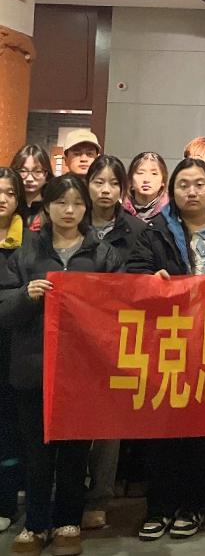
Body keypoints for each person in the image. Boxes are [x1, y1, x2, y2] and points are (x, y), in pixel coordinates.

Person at [0, 174, 124, 556]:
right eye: (60, 203)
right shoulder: (26, 252)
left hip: (83, 372)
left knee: (74, 452)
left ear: (86, 208)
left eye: (77, 203)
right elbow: (3, 310)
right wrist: (26, 295)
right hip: (33, 370)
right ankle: (35, 524)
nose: (69, 211)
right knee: (36, 453)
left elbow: (122, 306)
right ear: (47, 207)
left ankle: (68, 520)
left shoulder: (102, 254)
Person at [127, 158, 205, 542]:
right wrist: (150, 280)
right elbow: (133, 276)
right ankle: (160, 505)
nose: (191, 192)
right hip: (169, 341)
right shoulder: (154, 232)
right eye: (183, 185)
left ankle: (196, 502)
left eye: (199, 184)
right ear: (172, 190)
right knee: (164, 424)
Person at [82, 156, 148, 530]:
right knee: (72, 418)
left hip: (117, 336)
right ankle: (67, 492)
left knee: (107, 424)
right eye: (98, 182)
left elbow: (138, 281)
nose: (105, 190)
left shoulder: (136, 230)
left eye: (113, 183)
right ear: (87, 185)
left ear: (123, 189)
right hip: (75, 337)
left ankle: (98, 498)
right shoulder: (70, 222)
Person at [0, 168, 25, 536]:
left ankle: (5, 503)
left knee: (6, 428)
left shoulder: (30, 242)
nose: (1, 198)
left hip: (10, 349)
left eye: (8, 192)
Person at [10, 145, 51, 228]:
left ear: (47, 174)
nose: (29, 179)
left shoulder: (53, 205)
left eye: (37, 171)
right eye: (23, 171)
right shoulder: (7, 203)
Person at [122, 152, 169, 223]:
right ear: (130, 180)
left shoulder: (171, 212)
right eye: (140, 173)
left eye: (154, 174)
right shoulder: (119, 210)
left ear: (163, 181)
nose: (146, 179)